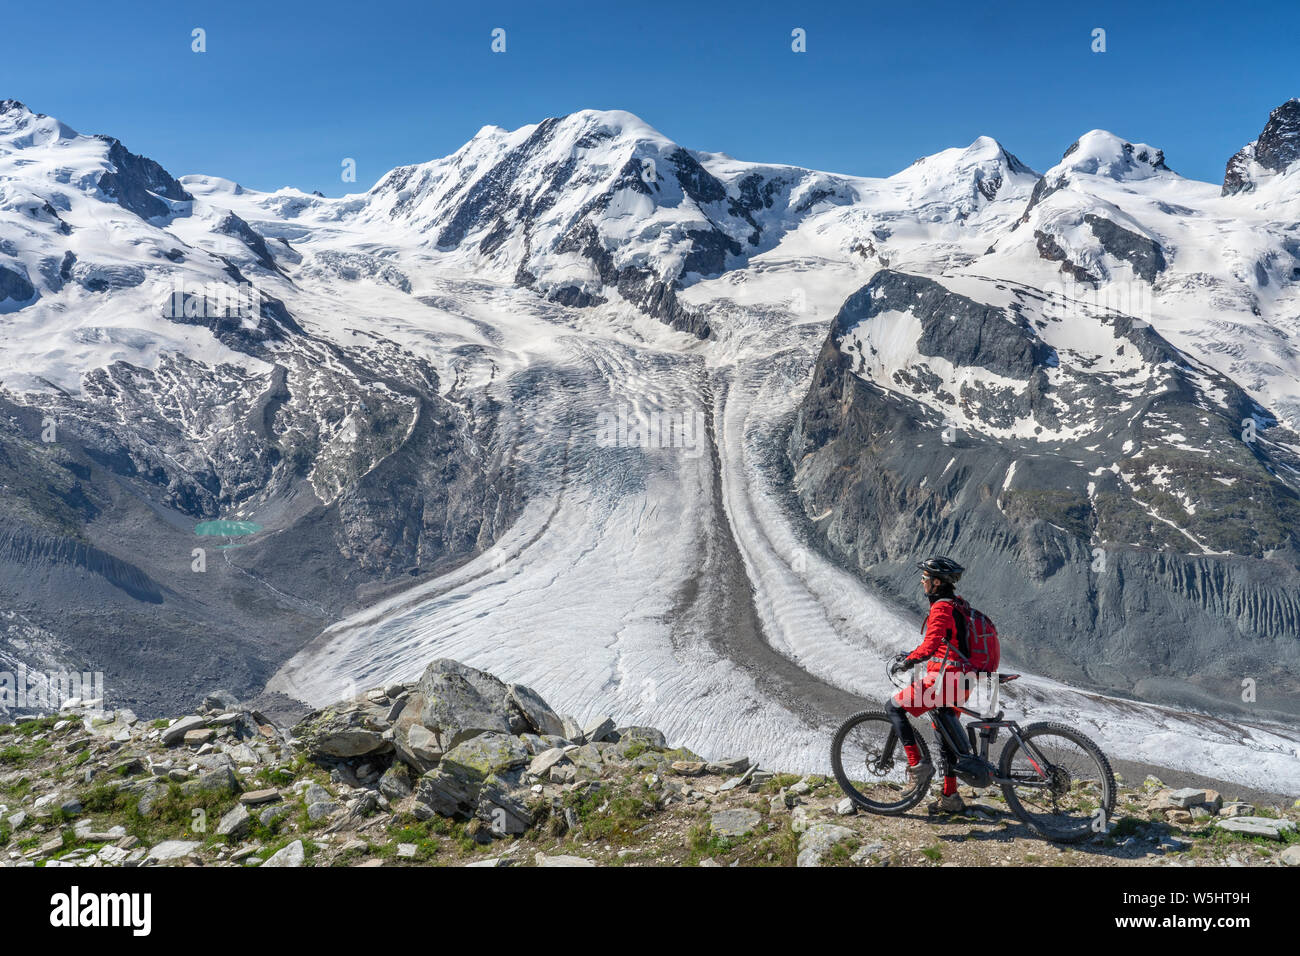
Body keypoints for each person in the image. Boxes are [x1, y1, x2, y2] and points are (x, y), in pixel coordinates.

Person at [885, 556, 977, 814]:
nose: (922, 582)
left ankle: (917, 768)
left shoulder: (941, 609)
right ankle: (950, 797)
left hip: (944, 680)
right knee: (945, 737)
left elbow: (931, 644)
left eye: (925, 578)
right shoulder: (958, 604)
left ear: (936, 582)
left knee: (893, 707)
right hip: (963, 680)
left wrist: (908, 661)